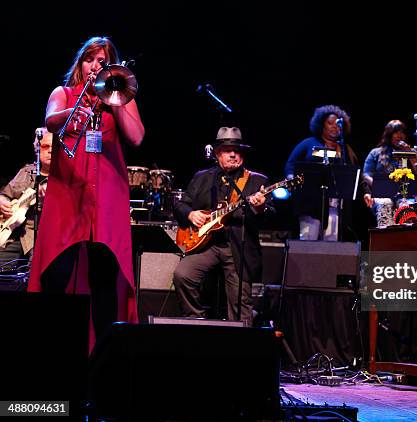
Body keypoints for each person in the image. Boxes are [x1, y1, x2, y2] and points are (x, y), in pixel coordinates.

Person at [28, 37, 145, 345]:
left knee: (104, 280)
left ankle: (100, 367)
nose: (96, 66)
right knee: (56, 273)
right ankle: (51, 350)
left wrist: (114, 99)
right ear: (81, 64)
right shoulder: (64, 93)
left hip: (107, 200)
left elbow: (136, 137)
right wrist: (70, 114)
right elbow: (50, 120)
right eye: (91, 60)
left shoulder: (121, 98)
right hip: (69, 196)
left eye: (103, 62)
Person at [173, 127, 273, 326]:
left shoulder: (257, 181)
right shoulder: (202, 177)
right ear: (217, 154)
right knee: (182, 275)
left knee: (239, 303)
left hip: (237, 246)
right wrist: (191, 214)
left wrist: (261, 208)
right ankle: (195, 322)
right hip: (206, 245)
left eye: (236, 150)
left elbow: (272, 216)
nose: (233, 154)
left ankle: (240, 343)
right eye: (227, 150)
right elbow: (180, 204)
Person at [285, 104, 359, 241]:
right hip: (310, 202)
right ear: (321, 125)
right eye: (329, 123)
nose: (334, 127)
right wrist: (291, 178)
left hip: (334, 205)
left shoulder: (344, 149)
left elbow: (352, 172)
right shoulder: (308, 143)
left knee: (331, 244)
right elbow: (290, 164)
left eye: (337, 124)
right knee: (308, 241)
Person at [0, 128, 52, 263]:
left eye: (55, 147)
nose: (51, 150)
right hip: (12, 234)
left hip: (41, 238)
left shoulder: (62, 178)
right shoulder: (27, 171)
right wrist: (2, 202)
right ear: (37, 149)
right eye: (46, 146)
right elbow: (5, 194)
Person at [362, 119, 417, 227]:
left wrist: (410, 154)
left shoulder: (410, 152)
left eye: (402, 132)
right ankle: (385, 237)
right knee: (385, 203)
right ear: (389, 134)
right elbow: (366, 174)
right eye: (396, 132)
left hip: (404, 195)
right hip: (382, 194)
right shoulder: (376, 153)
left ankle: (404, 238)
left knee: (407, 205)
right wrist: (377, 187)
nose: (400, 136)